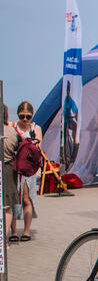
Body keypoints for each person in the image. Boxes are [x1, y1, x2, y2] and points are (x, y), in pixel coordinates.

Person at [9, 101, 43, 242]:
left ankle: (27, 230)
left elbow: (38, 148)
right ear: (18, 114)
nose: (24, 119)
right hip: (14, 167)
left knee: (26, 199)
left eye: (28, 116)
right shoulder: (12, 127)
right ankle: (13, 231)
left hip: (29, 169)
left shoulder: (35, 128)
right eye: (22, 116)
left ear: (32, 116)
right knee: (13, 200)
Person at [2, 105, 18, 243]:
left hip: (5, 168)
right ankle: (4, 239)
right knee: (7, 206)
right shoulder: (11, 131)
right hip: (9, 169)